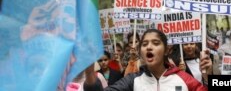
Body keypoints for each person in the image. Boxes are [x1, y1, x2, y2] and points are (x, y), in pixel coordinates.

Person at [83, 29, 211, 91]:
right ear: (140, 52)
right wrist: (89, 72)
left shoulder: (184, 79)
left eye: (155, 43)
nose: (149, 47)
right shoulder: (132, 81)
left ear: (166, 50)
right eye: (144, 44)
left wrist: (207, 76)